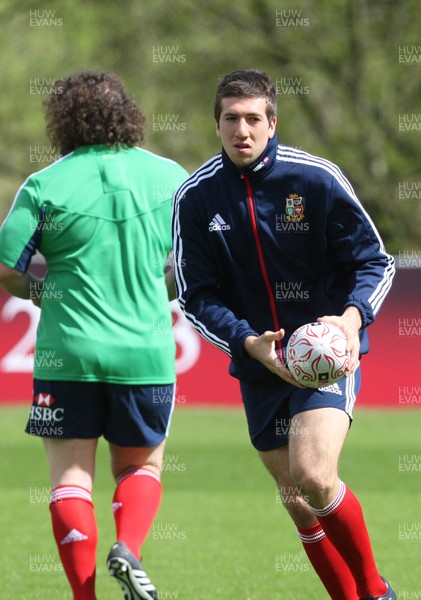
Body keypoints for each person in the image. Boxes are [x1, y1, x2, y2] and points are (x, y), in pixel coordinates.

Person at [172, 69, 396, 599]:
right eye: (231, 119)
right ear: (217, 124)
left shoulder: (315, 179)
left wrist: (350, 318)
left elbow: (375, 261)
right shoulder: (196, 198)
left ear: (273, 123)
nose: (242, 130)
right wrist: (247, 341)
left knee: (315, 476)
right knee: (296, 498)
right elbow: (196, 295)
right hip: (259, 362)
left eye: (253, 118)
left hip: (324, 353)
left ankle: (376, 592)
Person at [0, 70, 188, 600]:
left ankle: (85, 596)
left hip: (68, 354)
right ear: (129, 113)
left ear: (62, 121)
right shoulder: (170, 177)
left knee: (69, 479)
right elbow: (201, 263)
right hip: (144, 352)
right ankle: (128, 548)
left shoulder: (44, 184)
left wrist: (45, 295)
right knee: (139, 465)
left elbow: (6, 268)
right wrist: (161, 293)